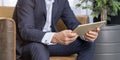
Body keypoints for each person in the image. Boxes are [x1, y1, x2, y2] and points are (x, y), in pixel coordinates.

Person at [13, 0, 100, 60]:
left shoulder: (62, 1)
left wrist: (86, 34)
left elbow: (73, 24)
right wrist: (55, 37)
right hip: (28, 45)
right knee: (39, 47)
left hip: (50, 45)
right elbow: (26, 31)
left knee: (88, 43)